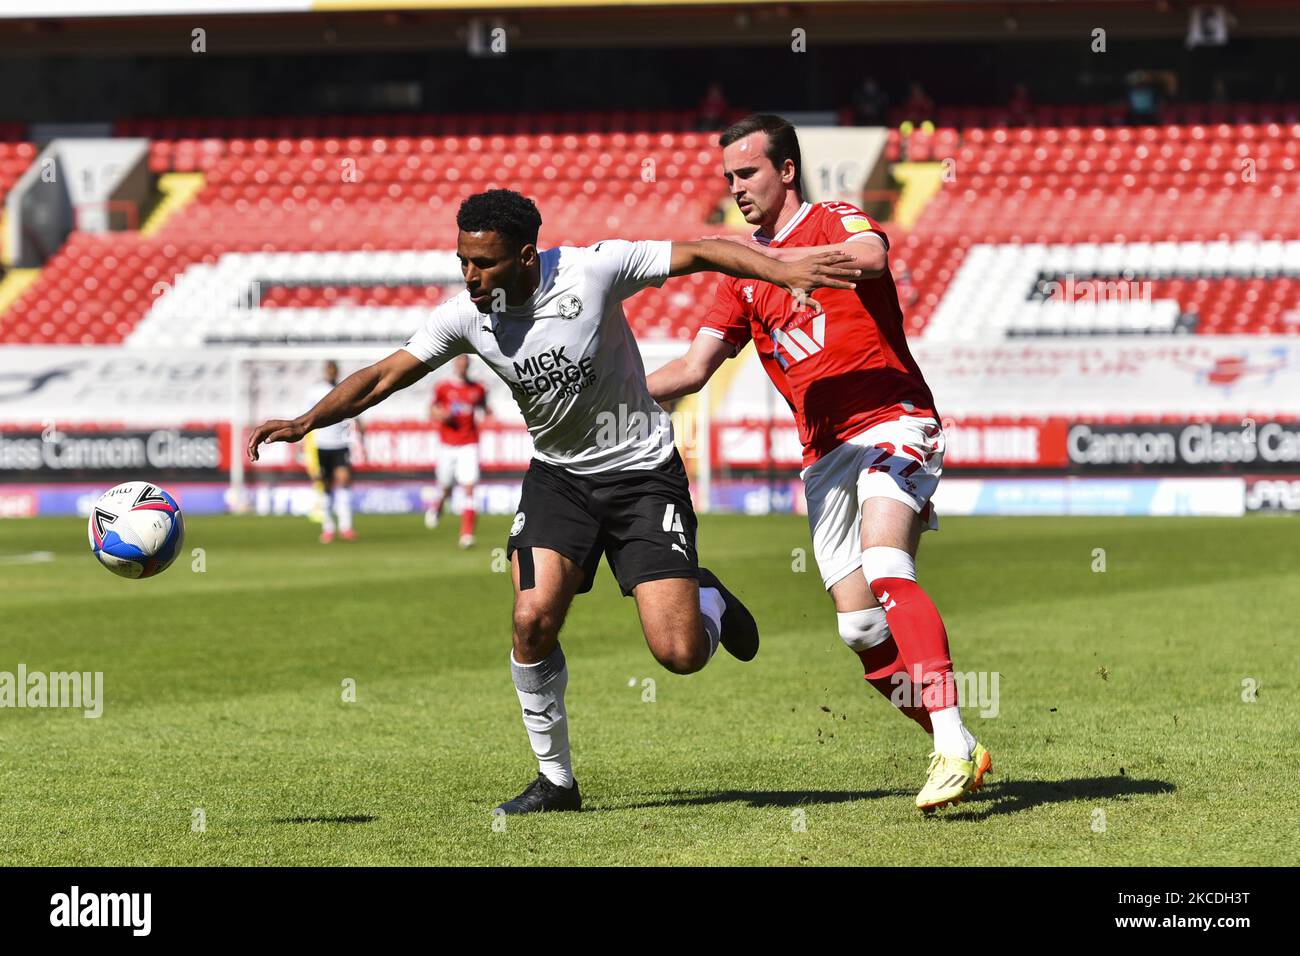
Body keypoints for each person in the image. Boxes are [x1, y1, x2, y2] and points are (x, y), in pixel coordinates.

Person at [248, 188, 861, 814]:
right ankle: (556, 781)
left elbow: (703, 251)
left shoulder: (594, 270)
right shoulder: (466, 316)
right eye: (462, 260)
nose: (470, 276)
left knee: (679, 654)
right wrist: (306, 421)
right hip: (559, 481)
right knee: (529, 619)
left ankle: (706, 595)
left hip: (643, 475)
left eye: (483, 263)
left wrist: (783, 269)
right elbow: (386, 374)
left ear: (526, 256)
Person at [646, 114, 991, 812]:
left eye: (747, 173)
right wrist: (601, 395)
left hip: (893, 420)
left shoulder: (833, 216)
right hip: (825, 455)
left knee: (888, 562)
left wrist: (806, 269)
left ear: (786, 170)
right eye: (729, 178)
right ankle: (959, 741)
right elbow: (690, 369)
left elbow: (870, 255)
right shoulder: (742, 274)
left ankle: (952, 744)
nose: (736, 188)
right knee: (860, 629)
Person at [425, 354, 488, 548]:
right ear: (455, 365)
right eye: (459, 363)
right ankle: (438, 504)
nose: (462, 367)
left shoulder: (478, 389)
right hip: (447, 444)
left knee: (469, 487)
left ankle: (467, 534)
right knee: (445, 486)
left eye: (465, 364)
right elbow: (431, 410)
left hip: (469, 444)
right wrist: (441, 415)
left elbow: (484, 409)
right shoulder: (443, 388)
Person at [302, 360, 363, 543]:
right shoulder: (315, 391)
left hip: (341, 443)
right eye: (328, 369)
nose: (331, 372)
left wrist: (361, 434)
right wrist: (303, 442)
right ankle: (328, 528)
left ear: (336, 371)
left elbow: (356, 412)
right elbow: (305, 417)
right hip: (321, 444)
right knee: (326, 485)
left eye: (333, 369)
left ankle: (346, 527)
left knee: (344, 481)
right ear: (325, 371)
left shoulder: (345, 388)